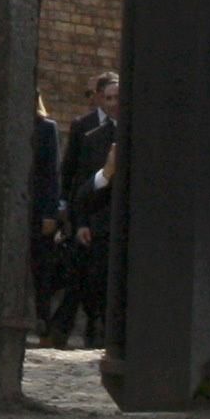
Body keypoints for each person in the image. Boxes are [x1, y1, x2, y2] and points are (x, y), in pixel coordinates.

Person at [59, 71, 121, 346]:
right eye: (108, 98)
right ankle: (95, 330)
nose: (113, 104)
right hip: (100, 220)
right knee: (93, 280)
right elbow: (81, 184)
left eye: (117, 98)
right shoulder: (93, 136)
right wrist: (81, 221)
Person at [31, 91, 71, 345]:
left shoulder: (46, 128)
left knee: (41, 269)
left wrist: (50, 213)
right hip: (14, 207)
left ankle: (42, 321)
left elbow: (52, 174)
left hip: (37, 209)